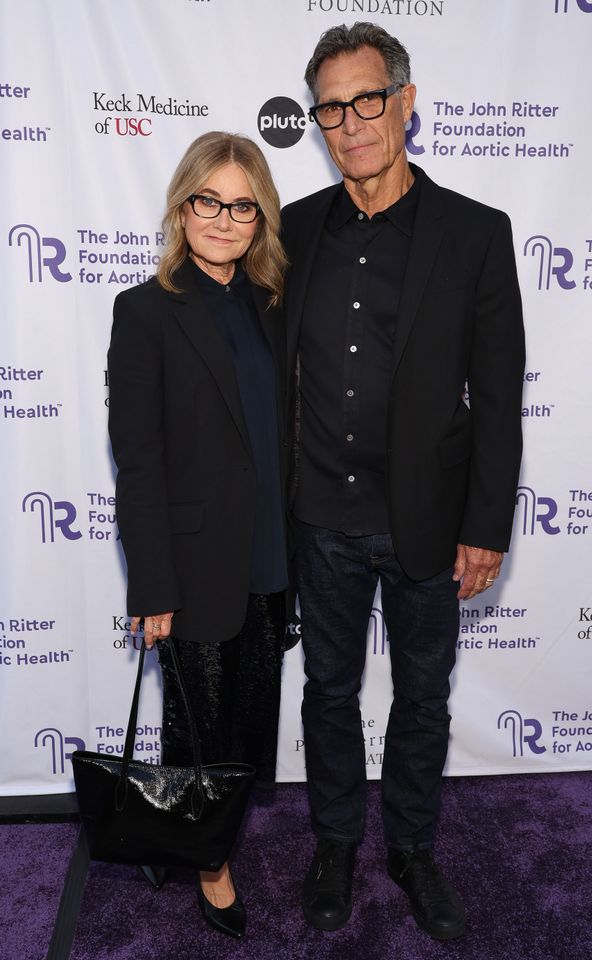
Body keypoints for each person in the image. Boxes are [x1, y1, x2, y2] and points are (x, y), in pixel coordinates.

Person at [282, 23, 525, 941]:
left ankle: (413, 847)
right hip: (320, 516)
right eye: (332, 108)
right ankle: (338, 841)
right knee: (328, 693)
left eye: (367, 100)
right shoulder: (294, 229)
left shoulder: (475, 233)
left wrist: (488, 524)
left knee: (425, 696)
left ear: (406, 103)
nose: (350, 123)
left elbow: (499, 397)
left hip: (428, 518)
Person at [107, 131, 289, 941]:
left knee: (249, 722)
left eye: (241, 205)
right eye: (208, 201)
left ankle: (179, 835)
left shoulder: (270, 303)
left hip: (270, 552)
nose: (224, 219)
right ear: (183, 208)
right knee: (199, 723)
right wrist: (150, 588)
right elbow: (137, 463)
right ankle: (210, 863)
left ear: (260, 218)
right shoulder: (145, 310)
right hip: (190, 559)